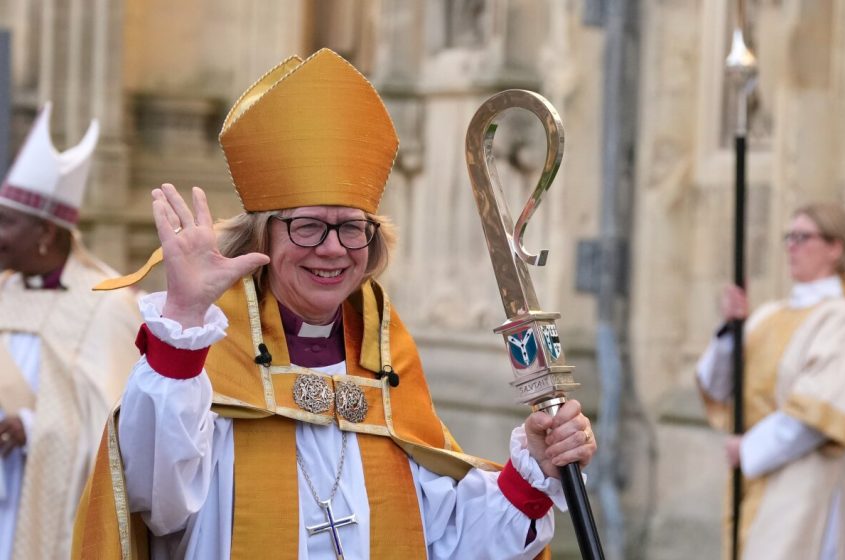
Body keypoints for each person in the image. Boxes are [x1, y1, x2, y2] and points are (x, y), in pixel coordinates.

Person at [72, 48, 597, 559]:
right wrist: (183, 320)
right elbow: (153, 497)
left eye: (351, 228)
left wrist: (536, 470)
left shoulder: (386, 371)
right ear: (263, 239)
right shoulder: (202, 370)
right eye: (307, 226)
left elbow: (446, 540)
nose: (332, 248)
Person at [0, 102, 142, 560]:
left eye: (6, 222)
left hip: (50, 514)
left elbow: (120, 433)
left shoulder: (106, 303)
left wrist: (31, 428)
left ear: (45, 230)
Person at [697, 203, 845, 559]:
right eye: (789, 237)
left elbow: (818, 411)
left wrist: (748, 449)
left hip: (805, 477)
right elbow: (718, 386)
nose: (791, 246)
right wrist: (731, 330)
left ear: (835, 248)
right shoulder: (769, 315)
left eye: (803, 237)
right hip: (754, 478)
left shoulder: (841, 319)